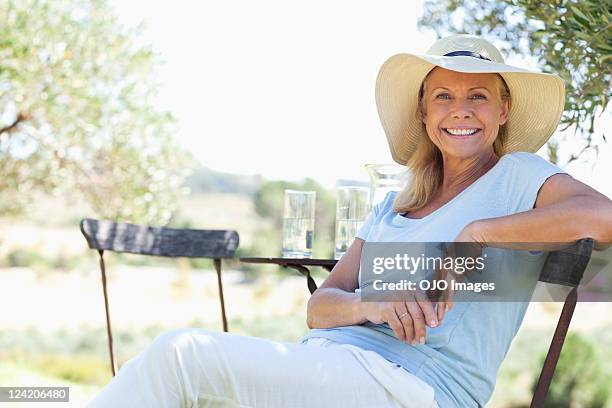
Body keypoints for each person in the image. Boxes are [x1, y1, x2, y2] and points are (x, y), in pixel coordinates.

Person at [87, 34, 612, 408]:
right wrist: (373, 303)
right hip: (333, 368)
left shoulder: (517, 175)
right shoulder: (397, 203)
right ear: (426, 115)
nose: (461, 110)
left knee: (181, 358)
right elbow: (319, 308)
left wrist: (475, 233)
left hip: (411, 387)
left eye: (478, 95)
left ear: (502, 111)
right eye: (444, 96)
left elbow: (604, 218)